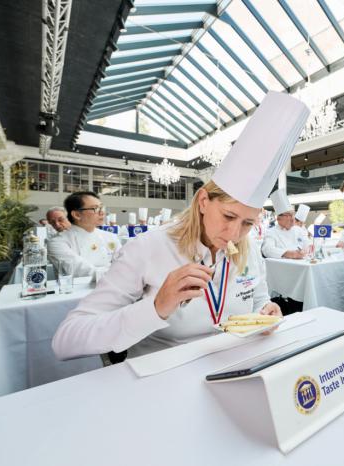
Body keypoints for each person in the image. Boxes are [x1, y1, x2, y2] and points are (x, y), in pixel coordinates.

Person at [52, 91, 308, 360]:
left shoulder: (249, 248)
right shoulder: (148, 248)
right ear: (203, 201)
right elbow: (66, 340)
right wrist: (156, 306)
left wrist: (266, 311)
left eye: (247, 222)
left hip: (234, 363)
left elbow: (257, 299)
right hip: (162, 373)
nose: (234, 234)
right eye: (229, 217)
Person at [46, 191, 121, 278]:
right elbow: (82, 272)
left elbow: (125, 264)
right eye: (95, 208)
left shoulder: (110, 236)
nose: (102, 212)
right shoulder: (57, 242)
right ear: (77, 215)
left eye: (101, 207)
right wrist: (119, 273)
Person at [261, 190, 309, 259]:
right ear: (278, 218)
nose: (292, 219)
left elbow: (307, 244)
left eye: (293, 214)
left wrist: (305, 250)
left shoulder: (299, 230)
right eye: (288, 215)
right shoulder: (271, 232)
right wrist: (288, 254)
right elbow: (267, 250)